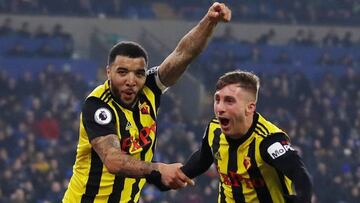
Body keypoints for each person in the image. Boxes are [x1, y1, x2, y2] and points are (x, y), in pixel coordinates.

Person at [62, 2, 231, 203]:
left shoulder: (149, 89)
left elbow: (182, 54)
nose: (131, 81)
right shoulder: (98, 105)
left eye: (139, 74)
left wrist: (209, 22)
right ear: (108, 72)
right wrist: (159, 169)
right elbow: (113, 160)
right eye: (122, 72)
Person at [166, 70, 312, 202]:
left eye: (229, 101)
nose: (220, 108)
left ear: (250, 108)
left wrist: (302, 199)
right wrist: (181, 173)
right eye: (217, 99)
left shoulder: (268, 140)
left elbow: (299, 174)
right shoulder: (214, 129)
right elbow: (204, 158)